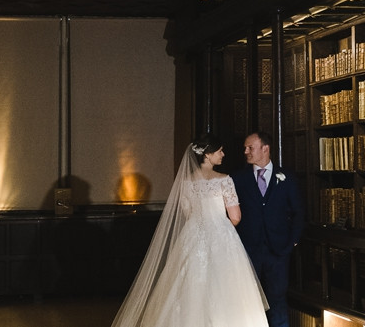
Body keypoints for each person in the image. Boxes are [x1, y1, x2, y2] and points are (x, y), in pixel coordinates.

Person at [111, 133, 269, 327]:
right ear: (208, 154)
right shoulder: (224, 180)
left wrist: (201, 227)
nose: (223, 154)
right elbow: (235, 217)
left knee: (188, 286)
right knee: (226, 289)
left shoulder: (186, 184)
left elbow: (187, 213)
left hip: (193, 236)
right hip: (220, 236)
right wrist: (221, 227)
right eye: (220, 151)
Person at [232, 131, 305, 327]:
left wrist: (293, 241)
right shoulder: (238, 178)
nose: (246, 151)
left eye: (250, 147)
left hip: (279, 251)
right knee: (248, 302)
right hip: (248, 251)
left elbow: (299, 212)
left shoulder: (287, 177)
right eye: (245, 148)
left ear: (265, 148)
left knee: (278, 302)